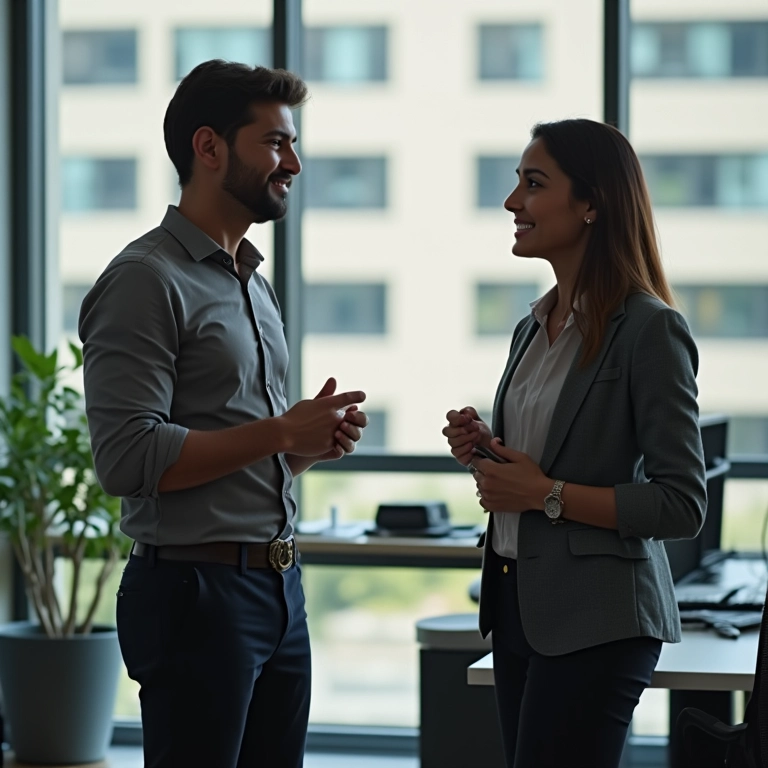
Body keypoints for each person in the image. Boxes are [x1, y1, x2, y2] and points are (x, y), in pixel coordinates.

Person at [79, 60, 368, 768]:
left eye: (292, 144)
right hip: (193, 596)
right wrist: (276, 432)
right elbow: (128, 460)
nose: (293, 163)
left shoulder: (253, 284)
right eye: (275, 143)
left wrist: (304, 447)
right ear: (209, 149)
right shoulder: (144, 281)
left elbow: (230, 458)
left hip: (278, 589)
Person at [442, 118, 707, 768]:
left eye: (533, 184)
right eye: (516, 184)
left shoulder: (649, 331)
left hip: (599, 620)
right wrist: (487, 451)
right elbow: (543, 464)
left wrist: (545, 494)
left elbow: (680, 504)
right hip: (517, 609)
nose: (512, 203)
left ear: (592, 203)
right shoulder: (533, 326)